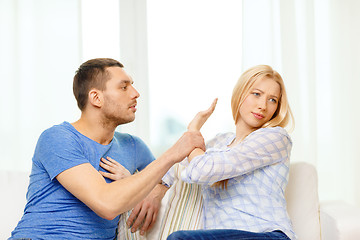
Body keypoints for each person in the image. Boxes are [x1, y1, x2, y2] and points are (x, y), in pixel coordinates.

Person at [9, 58, 205, 240]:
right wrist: (172, 154)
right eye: (124, 87)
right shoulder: (58, 138)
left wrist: (157, 191)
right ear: (96, 97)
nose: (136, 93)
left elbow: (167, 177)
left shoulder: (133, 145)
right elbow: (106, 203)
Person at [164, 65, 296, 240]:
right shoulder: (220, 142)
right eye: (256, 94)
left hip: (268, 235)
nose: (263, 106)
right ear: (240, 94)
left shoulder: (275, 138)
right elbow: (172, 167)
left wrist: (193, 131)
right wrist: (155, 190)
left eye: (272, 100)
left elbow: (200, 171)